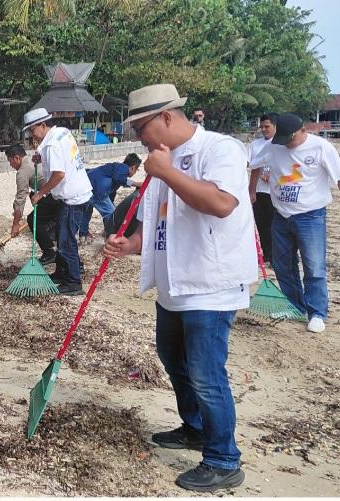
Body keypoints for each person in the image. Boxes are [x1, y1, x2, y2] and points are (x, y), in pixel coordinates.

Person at [103, 83, 256, 492]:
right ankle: (195, 427)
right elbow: (157, 223)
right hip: (173, 285)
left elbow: (222, 204)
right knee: (174, 360)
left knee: (206, 373)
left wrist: (167, 171)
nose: (140, 138)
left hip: (211, 284)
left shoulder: (219, 149)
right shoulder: (160, 161)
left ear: (166, 117)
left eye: (141, 129)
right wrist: (129, 245)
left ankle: (223, 459)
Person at [251, 113, 340, 333]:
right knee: (283, 265)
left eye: (290, 139)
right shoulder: (274, 145)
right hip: (280, 215)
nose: (286, 144)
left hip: (310, 216)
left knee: (314, 266)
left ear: (303, 131)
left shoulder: (321, 147)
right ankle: (294, 306)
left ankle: (317, 312)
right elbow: (255, 165)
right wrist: (251, 190)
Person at [22, 108, 93, 295]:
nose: (31, 135)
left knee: (66, 241)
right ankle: (62, 273)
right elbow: (63, 156)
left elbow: (59, 174)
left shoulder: (51, 145)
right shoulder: (62, 132)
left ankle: (73, 282)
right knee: (63, 235)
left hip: (72, 198)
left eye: (32, 130)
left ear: (42, 125)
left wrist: (40, 194)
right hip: (79, 192)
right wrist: (42, 157)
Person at [84, 153, 141, 238]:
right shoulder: (123, 168)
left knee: (87, 211)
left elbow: (111, 194)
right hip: (97, 190)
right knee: (111, 213)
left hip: (87, 188)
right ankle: (109, 235)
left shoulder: (115, 170)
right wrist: (136, 183)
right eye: (136, 170)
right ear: (133, 167)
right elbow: (118, 178)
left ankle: (83, 234)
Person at [248, 113, 278, 263]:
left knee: (276, 226)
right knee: (262, 224)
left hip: (276, 192)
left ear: (275, 126)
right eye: (262, 127)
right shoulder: (255, 145)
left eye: (267, 126)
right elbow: (252, 166)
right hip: (260, 190)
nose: (264, 130)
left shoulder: (281, 144)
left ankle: (277, 256)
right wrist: (251, 191)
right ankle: (267, 254)